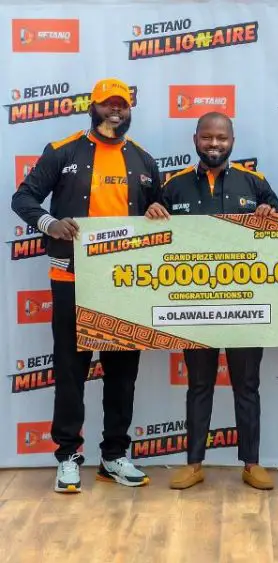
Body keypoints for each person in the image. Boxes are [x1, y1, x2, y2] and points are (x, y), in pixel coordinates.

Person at [11, 78, 161, 493]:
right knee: (71, 371)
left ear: (129, 110)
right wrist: (50, 223)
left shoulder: (144, 159)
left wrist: (156, 208)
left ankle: (114, 455)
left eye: (122, 105)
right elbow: (23, 198)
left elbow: (162, 210)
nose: (115, 110)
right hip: (72, 278)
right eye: (107, 104)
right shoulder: (63, 151)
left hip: (124, 284)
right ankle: (67, 457)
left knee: (122, 374)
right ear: (92, 108)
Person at [146, 111, 278, 490]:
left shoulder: (254, 183)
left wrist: (271, 214)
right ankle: (194, 464)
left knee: (247, 385)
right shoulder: (173, 186)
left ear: (232, 142)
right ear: (195, 140)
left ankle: (252, 464)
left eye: (221, 138)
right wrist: (152, 213)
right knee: (199, 385)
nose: (214, 144)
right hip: (194, 307)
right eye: (207, 137)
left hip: (246, 305)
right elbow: (151, 238)